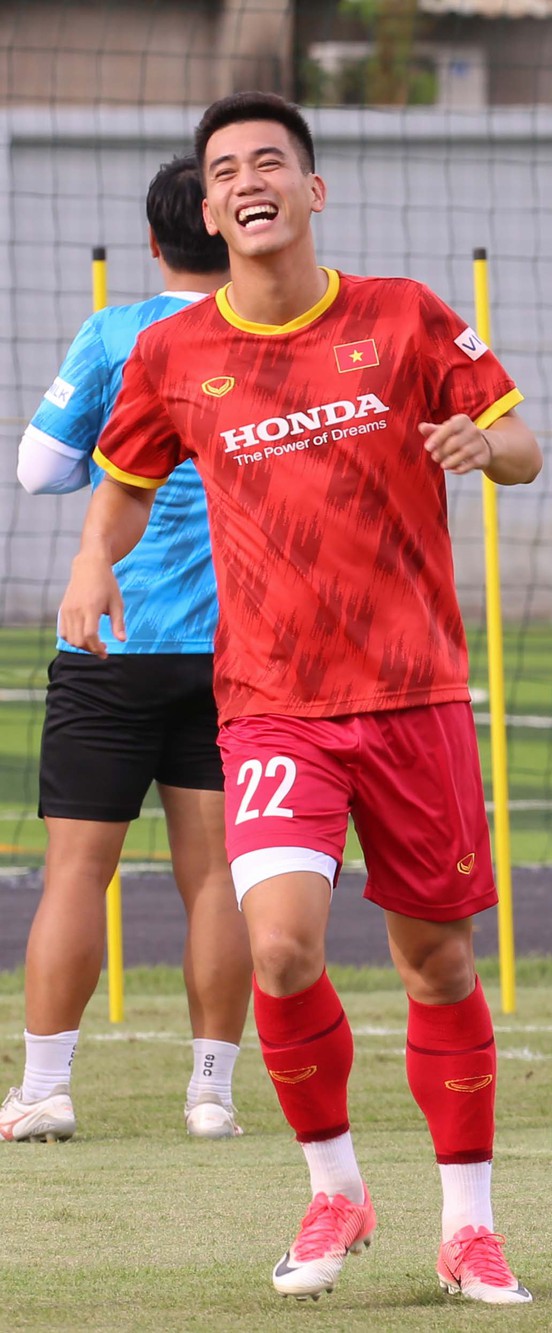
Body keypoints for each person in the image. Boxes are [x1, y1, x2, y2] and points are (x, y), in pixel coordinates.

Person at [59, 92, 540, 1302]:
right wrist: (88, 560)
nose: (247, 180)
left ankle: (469, 1225)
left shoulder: (402, 315)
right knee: (277, 946)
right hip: (272, 701)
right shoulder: (173, 351)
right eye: (225, 170)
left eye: (269, 160)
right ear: (211, 207)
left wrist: (489, 448)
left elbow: (522, 439)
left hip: (415, 694)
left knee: (436, 961)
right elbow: (121, 479)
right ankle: (335, 1192)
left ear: (311, 191)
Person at [3, 156, 249, 1145]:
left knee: (76, 871)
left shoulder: (116, 332)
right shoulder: (266, 335)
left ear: (152, 244)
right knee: (220, 875)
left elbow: (36, 470)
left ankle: (47, 1089)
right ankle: (210, 1095)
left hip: (114, 629)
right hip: (240, 646)